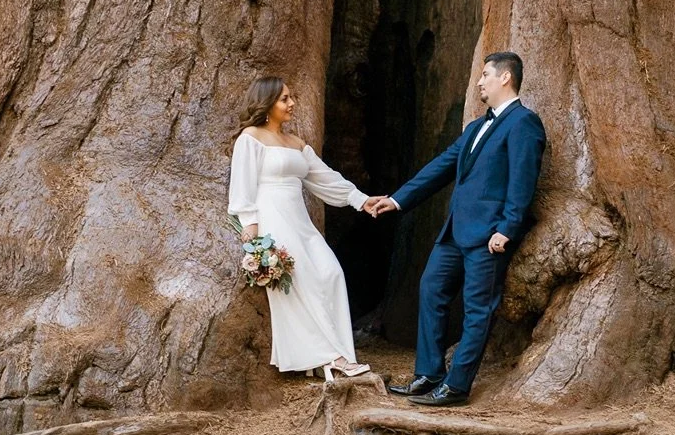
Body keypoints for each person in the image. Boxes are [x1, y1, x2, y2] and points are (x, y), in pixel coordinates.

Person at [365, 51, 546, 406]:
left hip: (490, 236)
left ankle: (457, 386)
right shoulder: (476, 127)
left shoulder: (524, 122)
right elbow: (441, 167)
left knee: (478, 309)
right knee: (430, 289)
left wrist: (508, 228)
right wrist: (398, 199)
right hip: (453, 233)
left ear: (505, 78)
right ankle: (428, 374)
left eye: (484, 75)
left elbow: (523, 180)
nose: (479, 82)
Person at [228, 76, 372, 380]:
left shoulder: (296, 143)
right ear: (267, 103)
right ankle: (331, 357)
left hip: (300, 221)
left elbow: (325, 178)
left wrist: (362, 200)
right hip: (272, 219)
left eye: (291, 97)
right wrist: (252, 232)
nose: (291, 103)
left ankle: (338, 351)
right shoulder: (250, 138)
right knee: (300, 278)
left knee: (331, 271)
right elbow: (242, 188)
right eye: (284, 99)